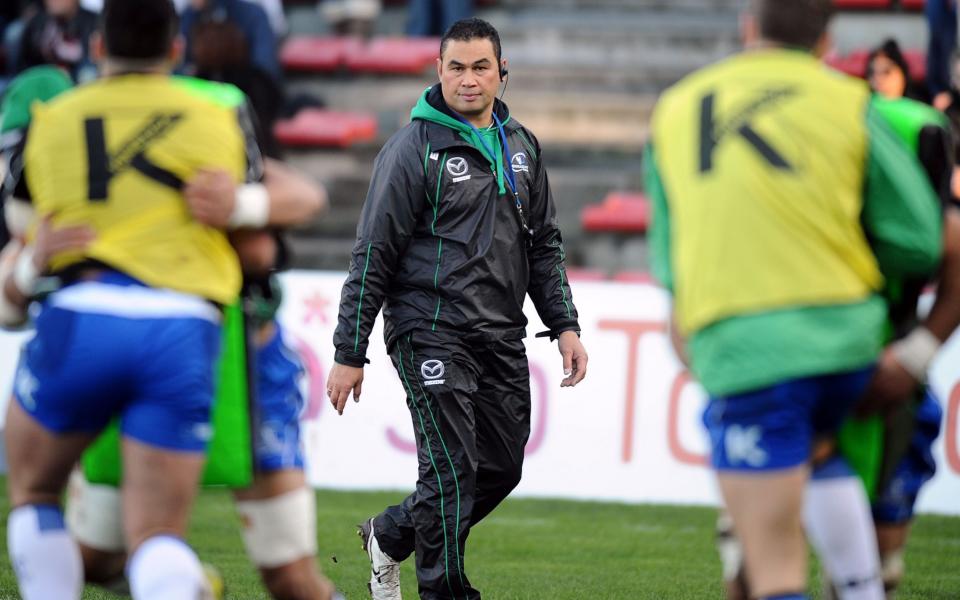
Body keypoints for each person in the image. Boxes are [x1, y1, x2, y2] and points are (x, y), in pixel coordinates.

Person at [646, 1, 942, 598]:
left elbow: (671, 260)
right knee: (820, 454)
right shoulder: (853, 103)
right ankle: (864, 586)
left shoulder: (677, 107)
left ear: (748, 27)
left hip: (747, 345)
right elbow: (920, 242)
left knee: (769, 571)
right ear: (828, 39)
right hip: (851, 348)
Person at [1, 0, 263, 597]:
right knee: (158, 536)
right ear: (177, 49)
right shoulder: (215, 116)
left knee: (36, 493)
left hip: (82, 316)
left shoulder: (53, 118)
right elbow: (255, 233)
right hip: (183, 325)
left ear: (97, 48)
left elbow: (22, 227)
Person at [327, 17, 588, 600]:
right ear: (438, 72)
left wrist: (564, 323)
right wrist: (351, 351)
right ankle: (447, 591)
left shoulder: (522, 145)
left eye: (480, 67)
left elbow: (543, 242)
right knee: (449, 471)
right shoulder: (411, 150)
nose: (468, 79)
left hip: (500, 333)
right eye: (456, 67)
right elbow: (373, 252)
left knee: (501, 467)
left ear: (501, 73)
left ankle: (391, 534)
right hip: (430, 328)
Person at [716, 95, 960, 600]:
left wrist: (914, 356)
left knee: (878, 562)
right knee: (751, 558)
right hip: (792, 366)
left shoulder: (898, 147)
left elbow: (952, 245)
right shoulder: (787, 190)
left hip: (881, 376)